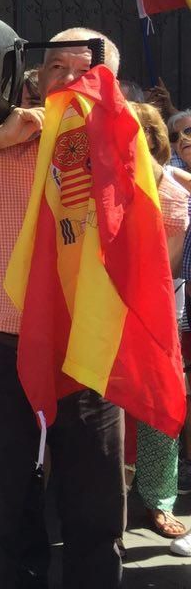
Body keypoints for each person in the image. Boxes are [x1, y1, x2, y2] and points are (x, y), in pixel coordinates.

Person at [0, 28, 190, 589]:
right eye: (56, 67)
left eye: (85, 72)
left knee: (94, 510)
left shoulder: (120, 153)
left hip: (87, 355)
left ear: (111, 85)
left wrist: (116, 152)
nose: (69, 81)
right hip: (0, 353)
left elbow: (173, 215)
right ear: (35, 75)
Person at [129, 102, 190, 540]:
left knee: (158, 411)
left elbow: (164, 271)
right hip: (100, 315)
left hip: (156, 316)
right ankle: (104, 493)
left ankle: (158, 500)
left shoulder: (171, 191)